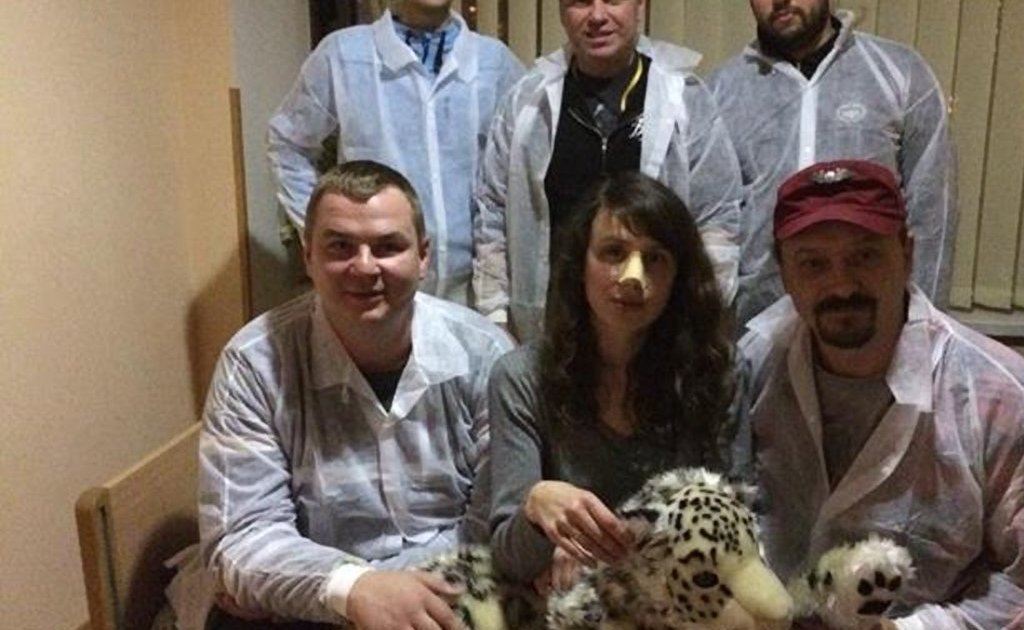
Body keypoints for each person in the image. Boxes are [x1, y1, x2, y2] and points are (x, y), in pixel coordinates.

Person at [740, 160, 1024, 628]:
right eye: (813, 263)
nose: (841, 284)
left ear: (906, 255)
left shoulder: (1002, 398)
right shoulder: (751, 369)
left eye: (865, 256)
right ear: (784, 273)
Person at [190, 161, 514, 629]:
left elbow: (494, 522)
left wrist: (375, 587)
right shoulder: (254, 363)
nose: (364, 267)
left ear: (423, 256)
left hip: (449, 593)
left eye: (388, 247)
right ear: (308, 256)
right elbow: (242, 537)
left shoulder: (484, 354)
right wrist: (353, 589)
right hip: (318, 609)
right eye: (340, 246)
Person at [486, 171, 751, 591]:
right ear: (580, 264)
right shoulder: (520, 378)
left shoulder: (719, 372)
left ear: (679, 276)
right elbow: (510, 560)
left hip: (683, 600)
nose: (632, 277)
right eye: (613, 252)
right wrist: (538, 512)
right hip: (564, 607)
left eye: (655, 258)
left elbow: (737, 529)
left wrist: (601, 553)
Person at [474, 0, 742, 341]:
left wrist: (699, 318)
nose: (597, 16)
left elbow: (717, 219)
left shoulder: (685, 100)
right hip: (551, 331)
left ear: (640, 5)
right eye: (581, 2)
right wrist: (495, 320)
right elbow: (493, 216)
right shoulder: (526, 103)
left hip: (658, 332)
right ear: (562, 11)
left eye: (613, 0)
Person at [709, 0, 957, 329]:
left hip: (871, 320)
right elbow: (713, 226)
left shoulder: (900, 73)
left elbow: (932, 213)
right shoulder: (719, 93)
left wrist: (923, 328)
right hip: (755, 327)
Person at [268, 0, 524, 305]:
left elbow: (519, 167)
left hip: (470, 289)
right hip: (373, 284)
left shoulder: (495, 63)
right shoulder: (344, 56)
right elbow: (288, 143)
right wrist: (329, 229)